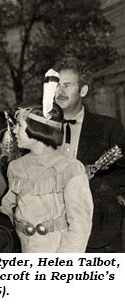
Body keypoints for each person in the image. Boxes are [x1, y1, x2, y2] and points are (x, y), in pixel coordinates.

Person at [0, 103, 93, 253]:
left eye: (20, 126)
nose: (14, 131)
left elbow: (80, 226)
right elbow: (6, 209)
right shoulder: (15, 167)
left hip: (56, 249)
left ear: (36, 129)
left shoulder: (69, 168)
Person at [54, 57, 125, 252]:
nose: (59, 92)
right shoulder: (40, 129)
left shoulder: (109, 128)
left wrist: (90, 183)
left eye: (67, 85)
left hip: (98, 234)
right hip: (52, 237)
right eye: (57, 85)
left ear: (83, 90)